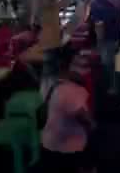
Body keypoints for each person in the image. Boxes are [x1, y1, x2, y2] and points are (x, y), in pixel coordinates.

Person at [40, 45, 96, 173]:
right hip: (68, 149)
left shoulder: (48, 84)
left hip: (48, 144)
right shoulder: (73, 91)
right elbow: (87, 121)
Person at [90, 0, 120, 95]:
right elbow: (99, 25)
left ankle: (114, 86)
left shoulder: (115, 1)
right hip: (109, 38)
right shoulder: (99, 3)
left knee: (111, 64)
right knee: (109, 64)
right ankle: (113, 87)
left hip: (116, 38)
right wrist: (99, 42)